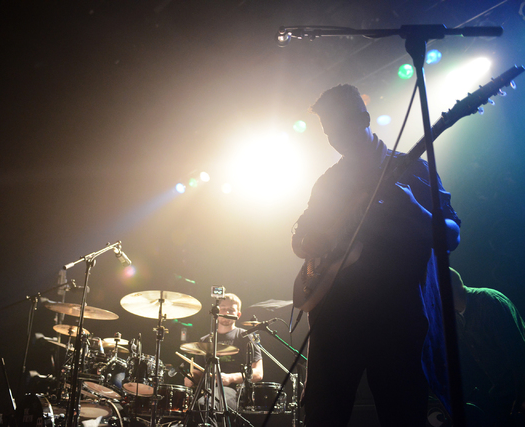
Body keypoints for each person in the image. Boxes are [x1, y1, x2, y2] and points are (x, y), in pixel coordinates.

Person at [291, 84, 461, 427]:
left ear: (364, 119)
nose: (334, 139)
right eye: (328, 132)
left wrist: (413, 209)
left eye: (339, 128)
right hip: (334, 317)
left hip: (397, 318)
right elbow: (300, 238)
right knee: (322, 416)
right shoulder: (329, 181)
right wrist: (307, 244)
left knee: (402, 415)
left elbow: (452, 235)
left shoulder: (412, 169)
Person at [450, 267, 525, 426]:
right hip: (502, 390)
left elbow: (517, 352)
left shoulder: (489, 302)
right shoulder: (456, 316)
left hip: (517, 388)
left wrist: (521, 396)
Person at [184, 293, 263, 413]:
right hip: (207, 390)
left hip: (234, 391)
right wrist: (191, 377)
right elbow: (198, 372)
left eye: (231, 310)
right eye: (223, 308)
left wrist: (231, 378)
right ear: (216, 312)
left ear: (238, 315)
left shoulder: (245, 337)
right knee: (190, 409)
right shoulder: (205, 340)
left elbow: (258, 373)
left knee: (205, 405)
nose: (226, 312)